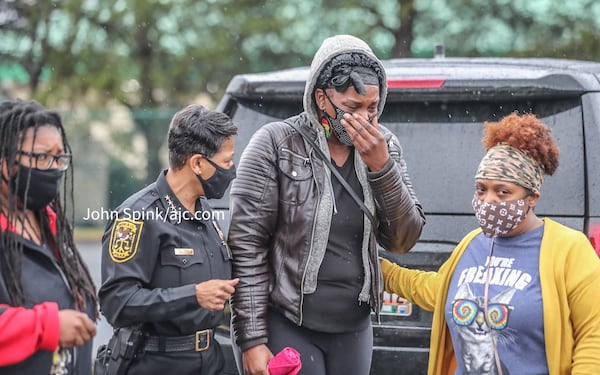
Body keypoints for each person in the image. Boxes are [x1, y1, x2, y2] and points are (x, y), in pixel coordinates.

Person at [228, 34, 426, 375]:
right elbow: (246, 245)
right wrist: (252, 339)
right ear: (322, 98)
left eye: (372, 108)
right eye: (352, 108)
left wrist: (382, 169)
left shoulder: (386, 147)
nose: (364, 119)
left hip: (353, 328)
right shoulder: (276, 144)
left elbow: (402, 240)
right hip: (286, 322)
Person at [381, 113, 600, 374]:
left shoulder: (569, 249)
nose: (488, 200)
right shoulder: (472, 243)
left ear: (532, 197)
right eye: (481, 189)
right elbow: (439, 291)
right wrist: (380, 270)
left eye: (503, 191)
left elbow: (593, 337)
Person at [98, 104, 239, 375]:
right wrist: (192, 296)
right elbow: (117, 303)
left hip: (211, 361)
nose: (231, 169)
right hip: (156, 363)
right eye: (226, 162)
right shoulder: (137, 216)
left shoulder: (202, 210)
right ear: (197, 163)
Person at [0, 99, 98, 373]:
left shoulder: (50, 224)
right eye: (41, 157)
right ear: (4, 163)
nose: (53, 167)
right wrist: (46, 327)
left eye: (59, 158)